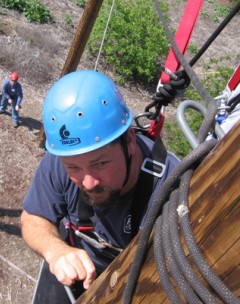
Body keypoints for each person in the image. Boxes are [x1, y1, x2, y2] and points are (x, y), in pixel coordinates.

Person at [20, 70, 180, 303]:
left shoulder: (170, 192)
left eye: (100, 163)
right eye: (74, 168)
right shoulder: (63, 156)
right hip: (77, 275)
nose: (88, 182)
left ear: (130, 142)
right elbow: (33, 218)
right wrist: (56, 250)